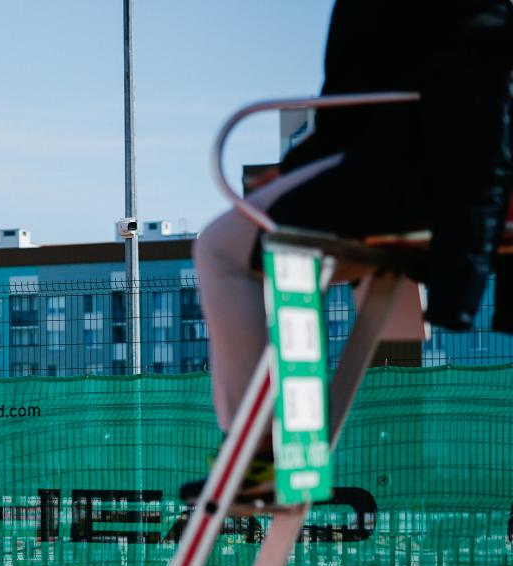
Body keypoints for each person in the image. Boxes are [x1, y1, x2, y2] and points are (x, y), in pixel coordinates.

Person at [189, 0, 512, 504]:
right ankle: (274, 456)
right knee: (276, 247)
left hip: (405, 183)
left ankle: (258, 456)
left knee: (220, 249)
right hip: (434, 188)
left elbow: (362, 106)